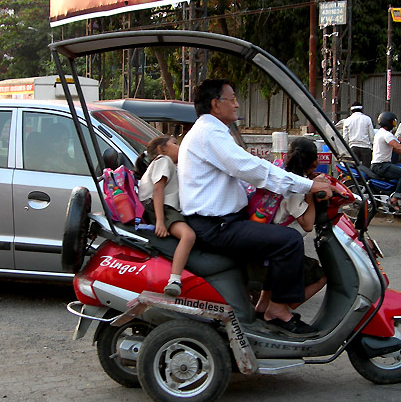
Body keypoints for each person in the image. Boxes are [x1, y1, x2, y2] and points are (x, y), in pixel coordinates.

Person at [178, 78, 332, 335]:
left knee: (275, 237)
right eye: (232, 99)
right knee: (290, 240)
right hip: (218, 227)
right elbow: (250, 168)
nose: (237, 104)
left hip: (225, 221)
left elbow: (249, 167)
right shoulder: (209, 134)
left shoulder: (213, 132)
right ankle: (278, 310)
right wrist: (307, 186)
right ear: (216, 104)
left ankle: (264, 304)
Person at [253, 137, 327, 318]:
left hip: (268, 239)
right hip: (283, 246)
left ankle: (263, 311)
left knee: (267, 290)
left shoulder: (282, 172)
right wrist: (310, 190)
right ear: (315, 162)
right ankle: (281, 310)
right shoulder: (298, 185)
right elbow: (308, 224)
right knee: (321, 276)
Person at [135, 135, 196, 297]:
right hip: (161, 208)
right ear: (162, 149)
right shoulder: (164, 160)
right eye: (175, 143)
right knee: (188, 236)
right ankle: (174, 280)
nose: (179, 146)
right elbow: (158, 189)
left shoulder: (168, 163)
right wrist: (160, 221)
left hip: (163, 207)